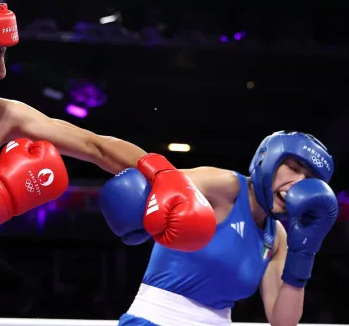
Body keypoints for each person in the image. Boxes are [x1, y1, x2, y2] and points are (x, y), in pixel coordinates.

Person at [0, 0, 216, 325]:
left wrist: (161, 174)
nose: (1, 72)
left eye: (3, 56)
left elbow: (95, 146)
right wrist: (4, 196)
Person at [99, 130, 339, 326]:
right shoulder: (225, 186)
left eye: (309, 180)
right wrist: (92, 148)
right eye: (294, 168)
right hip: (155, 320)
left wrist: (304, 252)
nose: (299, 184)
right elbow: (156, 178)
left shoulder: (277, 236)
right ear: (268, 160)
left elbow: (283, 321)